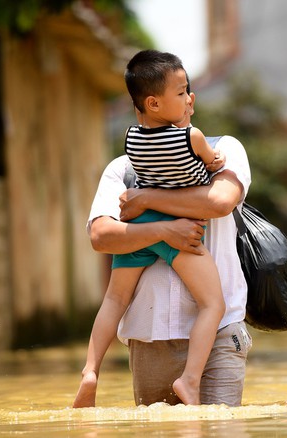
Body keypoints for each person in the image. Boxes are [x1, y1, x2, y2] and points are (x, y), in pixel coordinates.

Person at [73, 50, 241, 408]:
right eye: (181, 92)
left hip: (221, 340)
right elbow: (100, 236)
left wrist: (145, 200)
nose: (188, 98)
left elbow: (221, 202)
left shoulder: (130, 148)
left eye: (187, 90)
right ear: (153, 102)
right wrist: (169, 230)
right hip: (151, 337)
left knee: (113, 299)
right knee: (212, 302)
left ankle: (90, 370)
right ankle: (190, 381)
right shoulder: (206, 145)